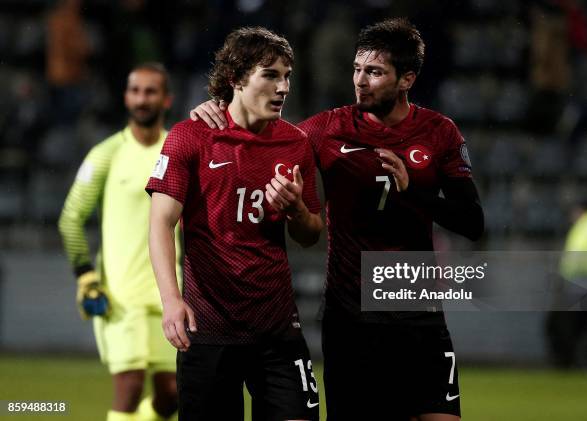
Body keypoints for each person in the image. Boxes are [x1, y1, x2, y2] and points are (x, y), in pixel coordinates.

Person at [191, 18, 484, 421]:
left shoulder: (440, 132)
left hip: (419, 311)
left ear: (407, 79)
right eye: (357, 69)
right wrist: (220, 108)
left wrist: (412, 190)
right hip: (352, 316)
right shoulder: (325, 130)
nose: (360, 81)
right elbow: (266, 135)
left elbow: (472, 222)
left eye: (375, 72)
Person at [146, 27, 322, 421]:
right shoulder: (189, 137)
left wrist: (296, 210)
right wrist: (171, 300)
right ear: (236, 79)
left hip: (277, 329)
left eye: (287, 76)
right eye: (270, 74)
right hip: (208, 327)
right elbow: (160, 223)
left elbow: (311, 233)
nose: (283, 87)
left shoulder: (295, 143)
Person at [58, 63, 180, 421]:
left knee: (172, 395)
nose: (141, 99)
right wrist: (85, 276)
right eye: (135, 90)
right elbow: (70, 219)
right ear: (126, 96)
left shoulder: (179, 152)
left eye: (150, 91)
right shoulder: (105, 154)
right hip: (120, 297)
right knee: (128, 387)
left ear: (166, 99)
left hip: (168, 295)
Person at [546, 201, 587, 368]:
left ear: (581, 211)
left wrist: (563, 276)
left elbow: (575, 255)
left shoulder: (585, 226)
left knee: (562, 323)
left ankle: (565, 361)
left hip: (579, 282)